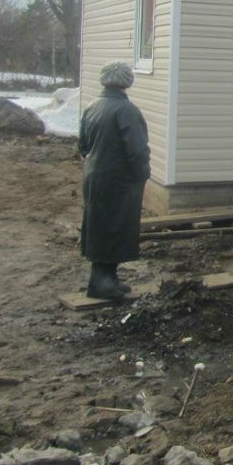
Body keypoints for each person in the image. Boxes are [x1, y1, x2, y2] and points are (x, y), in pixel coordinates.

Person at [78, 61, 151, 300]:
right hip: (118, 180)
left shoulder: (92, 106)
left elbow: (83, 145)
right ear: (127, 81)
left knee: (100, 225)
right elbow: (138, 150)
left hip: (94, 175)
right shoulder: (126, 111)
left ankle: (108, 277)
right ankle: (100, 282)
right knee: (114, 227)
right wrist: (142, 174)